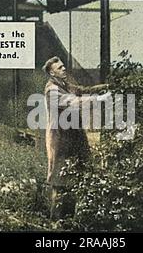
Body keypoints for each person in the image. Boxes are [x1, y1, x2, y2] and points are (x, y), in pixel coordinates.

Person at [42, 56, 110, 221]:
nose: (64, 69)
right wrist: (97, 99)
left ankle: (69, 220)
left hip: (73, 137)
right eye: (59, 68)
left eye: (64, 66)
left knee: (74, 178)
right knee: (60, 181)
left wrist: (105, 87)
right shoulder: (52, 89)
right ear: (52, 72)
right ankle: (56, 222)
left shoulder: (64, 85)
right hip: (60, 140)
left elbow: (81, 90)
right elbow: (71, 102)